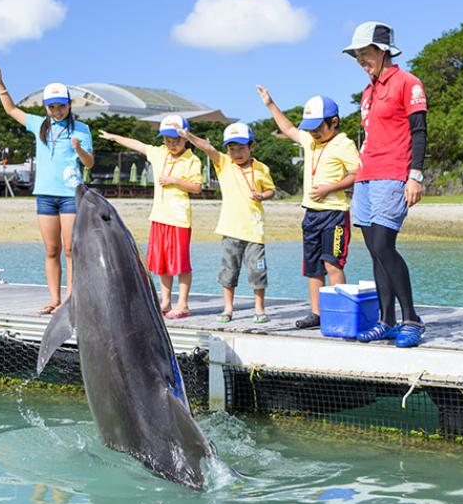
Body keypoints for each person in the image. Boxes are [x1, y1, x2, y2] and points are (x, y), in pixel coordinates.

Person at [342, 21, 428, 347]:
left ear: (383, 51)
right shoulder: (368, 91)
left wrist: (415, 175)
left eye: (366, 54)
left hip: (394, 174)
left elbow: (419, 132)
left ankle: (411, 319)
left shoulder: (408, 83)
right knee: (374, 253)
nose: (361, 61)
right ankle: (386, 321)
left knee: (383, 245)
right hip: (365, 177)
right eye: (357, 56)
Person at [0, 59, 94, 315]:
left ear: (70, 104)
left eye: (61, 106)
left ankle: (71, 300)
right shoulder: (39, 125)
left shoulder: (81, 129)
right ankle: (54, 299)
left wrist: (79, 149)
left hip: (71, 194)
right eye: (52, 107)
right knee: (51, 249)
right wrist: (0, 82)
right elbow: (11, 110)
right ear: (46, 108)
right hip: (45, 195)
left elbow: (89, 163)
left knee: (70, 249)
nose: (57, 111)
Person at [257, 87, 360, 329]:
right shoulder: (310, 141)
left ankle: (338, 312)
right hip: (311, 214)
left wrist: (330, 188)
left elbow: (358, 173)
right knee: (313, 266)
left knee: (332, 263)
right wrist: (270, 104)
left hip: (335, 214)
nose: (313, 132)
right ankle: (317, 313)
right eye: (310, 127)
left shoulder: (344, 143)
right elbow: (289, 128)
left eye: (318, 127)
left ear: (333, 122)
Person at [98, 115, 203, 319]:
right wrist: (113, 137)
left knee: (181, 264)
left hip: (179, 219)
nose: (171, 144)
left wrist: (174, 180)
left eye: (176, 139)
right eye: (167, 140)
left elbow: (197, 187)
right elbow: (137, 144)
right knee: (162, 263)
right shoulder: (159, 153)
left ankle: (183, 304)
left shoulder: (193, 159)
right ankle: (165, 301)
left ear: (186, 138)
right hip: (159, 217)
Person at [178, 123, 275, 323]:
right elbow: (208, 148)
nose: (236, 153)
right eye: (232, 148)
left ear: (252, 147)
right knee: (229, 271)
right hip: (230, 230)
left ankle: (259, 308)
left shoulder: (261, 168)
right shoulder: (224, 164)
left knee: (257, 271)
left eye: (241, 147)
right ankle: (228, 308)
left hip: (254, 231)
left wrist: (262, 195)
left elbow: (271, 190)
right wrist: (189, 136)